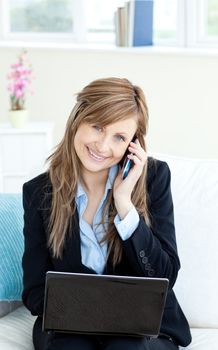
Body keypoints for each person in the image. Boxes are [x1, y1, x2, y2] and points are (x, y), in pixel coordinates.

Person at [22, 77, 192, 350]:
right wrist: (89, 315)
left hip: (143, 332)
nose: (102, 146)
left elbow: (164, 276)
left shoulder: (154, 179)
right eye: (98, 127)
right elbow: (33, 290)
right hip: (69, 327)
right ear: (78, 120)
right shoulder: (40, 193)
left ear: (132, 144)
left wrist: (124, 203)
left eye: (119, 137)